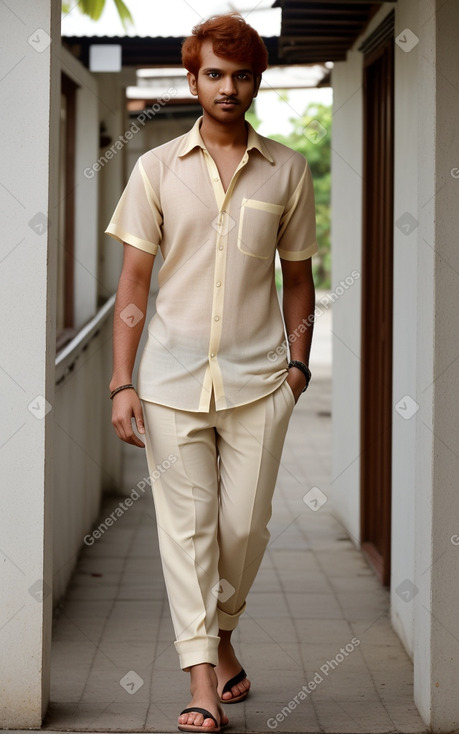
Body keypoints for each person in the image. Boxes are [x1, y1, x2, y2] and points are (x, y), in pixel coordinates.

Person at [106, 13, 317, 733]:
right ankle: (200, 676)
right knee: (186, 531)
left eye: (242, 74)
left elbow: (298, 280)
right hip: (168, 381)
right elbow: (134, 285)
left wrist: (297, 365)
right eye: (215, 74)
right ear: (193, 79)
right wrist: (120, 381)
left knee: (243, 528)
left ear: (257, 81)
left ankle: (222, 635)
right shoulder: (155, 169)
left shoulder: (287, 168)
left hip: (261, 381)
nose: (229, 87)